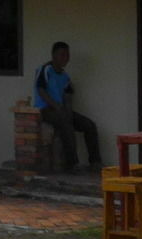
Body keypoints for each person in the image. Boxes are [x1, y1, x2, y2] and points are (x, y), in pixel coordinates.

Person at [33, 41, 99, 173]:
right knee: (66, 123)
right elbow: (41, 90)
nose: (65, 58)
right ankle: (72, 164)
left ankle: (95, 162)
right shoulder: (45, 69)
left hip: (61, 110)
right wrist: (56, 106)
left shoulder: (65, 76)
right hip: (46, 110)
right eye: (62, 55)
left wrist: (67, 111)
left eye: (67, 55)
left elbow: (68, 96)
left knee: (89, 125)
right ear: (53, 55)